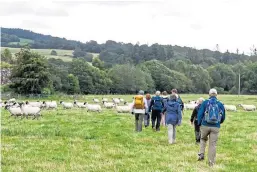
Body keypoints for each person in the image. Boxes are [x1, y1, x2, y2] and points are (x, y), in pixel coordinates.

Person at [197, 88, 226, 167]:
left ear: (209, 95)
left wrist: (199, 123)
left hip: (205, 125)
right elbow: (223, 116)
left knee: (203, 139)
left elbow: (200, 114)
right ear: (216, 95)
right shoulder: (220, 104)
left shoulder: (205, 103)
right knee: (212, 144)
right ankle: (211, 162)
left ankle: (201, 154)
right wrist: (219, 122)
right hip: (215, 126)